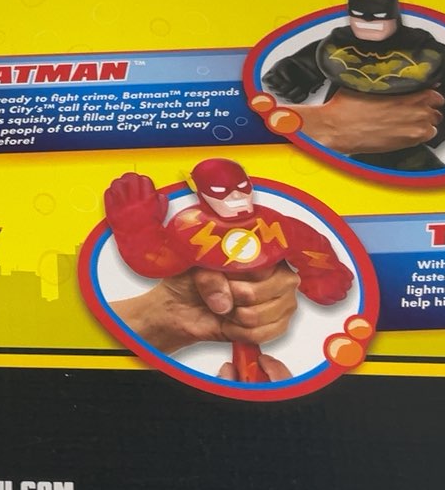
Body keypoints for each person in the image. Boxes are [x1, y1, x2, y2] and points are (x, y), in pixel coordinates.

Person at [102, 158, 355, 383]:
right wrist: (137, 225)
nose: (235, 198)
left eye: (242, 188)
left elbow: (306, 241)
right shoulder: (191, 229)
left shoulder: (275, 224)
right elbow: (154, 260)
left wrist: (323, 273)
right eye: (221, 192)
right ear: (199, 191)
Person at [263, 0, 445, 171]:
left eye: (377, 17)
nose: (369, 23)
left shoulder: (421, 47)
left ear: (393, 18)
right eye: (360, 17)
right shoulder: (337, 45)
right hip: (347, 145)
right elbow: (308, 62)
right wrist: (292, 74)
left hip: (411, 141)